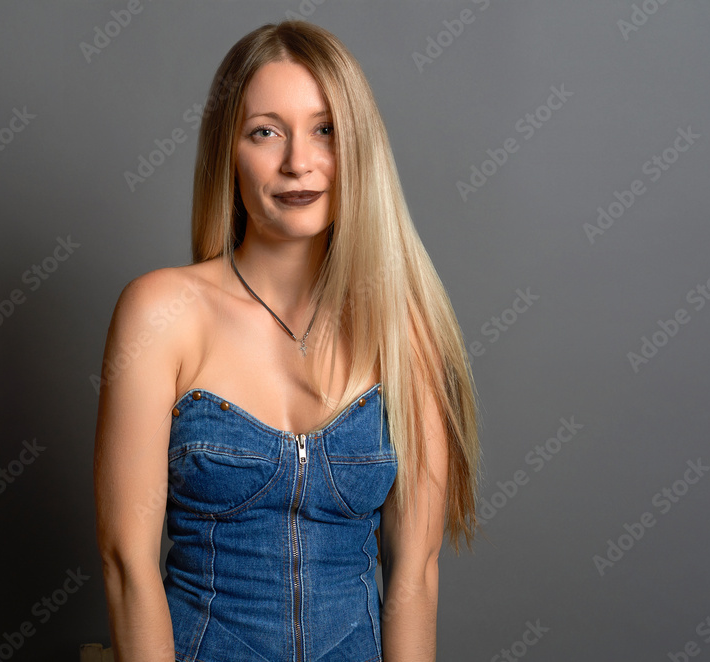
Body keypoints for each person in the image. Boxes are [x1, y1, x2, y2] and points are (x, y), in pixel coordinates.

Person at [94, 19, 481, 662]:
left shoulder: (405, 329)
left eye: (324, 129)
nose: (298, 161)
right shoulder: (162, 313)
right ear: (228, 151)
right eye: (265, 132)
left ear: (358, 147)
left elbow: (415, 575)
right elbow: (125, 565)